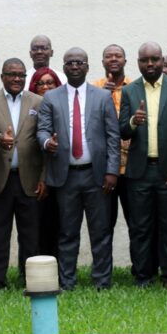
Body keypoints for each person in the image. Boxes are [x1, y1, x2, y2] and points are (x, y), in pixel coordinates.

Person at [38, 48, 120, 291]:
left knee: (101, 233)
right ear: (63, 67)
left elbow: (113, 137)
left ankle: (102, 282)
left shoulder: (102, 97)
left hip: (96, 175)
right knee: (67, 233)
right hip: (66, 177)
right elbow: (42, 129)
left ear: (86, 66)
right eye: (70, 62)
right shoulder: (51, 97)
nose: (74, 66)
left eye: (79, 62)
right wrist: (46, 142)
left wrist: (112, 171)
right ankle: (67, 282)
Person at [119, 42, 167, 288]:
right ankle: (143, 275)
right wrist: (132, 121)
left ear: (163, 61)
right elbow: (122, 131)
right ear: (137, 63)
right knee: (140, 227)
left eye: (154, 59)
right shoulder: (129, 91)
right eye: (144, 60)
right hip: (139, 172)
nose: (149, 64)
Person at [0, 58, 44, 288]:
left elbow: (43, 137)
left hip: (30, 179)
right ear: (2, 76)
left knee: (30, 235)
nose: (17, 79)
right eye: (12, 74)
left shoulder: (38, 101)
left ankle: (30, 279)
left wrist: (44, 177)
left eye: (21, 75)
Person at [92, 45, 131, 242]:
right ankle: (103, 271)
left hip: (131, 167)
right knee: (104, 223)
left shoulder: (134, 87)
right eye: (109, 56)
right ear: (103, 62)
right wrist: (101, 96)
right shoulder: (94, 88)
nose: (113, 59)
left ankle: (141, 270)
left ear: (125, 61)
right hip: (104, 168)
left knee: (137, 222)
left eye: (118, 56)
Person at [29, 66, 62, 259]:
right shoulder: (31, 106)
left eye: (50, 82)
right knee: (38, 224)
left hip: (59, 172)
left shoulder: (62, 105)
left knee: (57, 222)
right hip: (36, 174)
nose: (45, 86)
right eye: (40, 83)